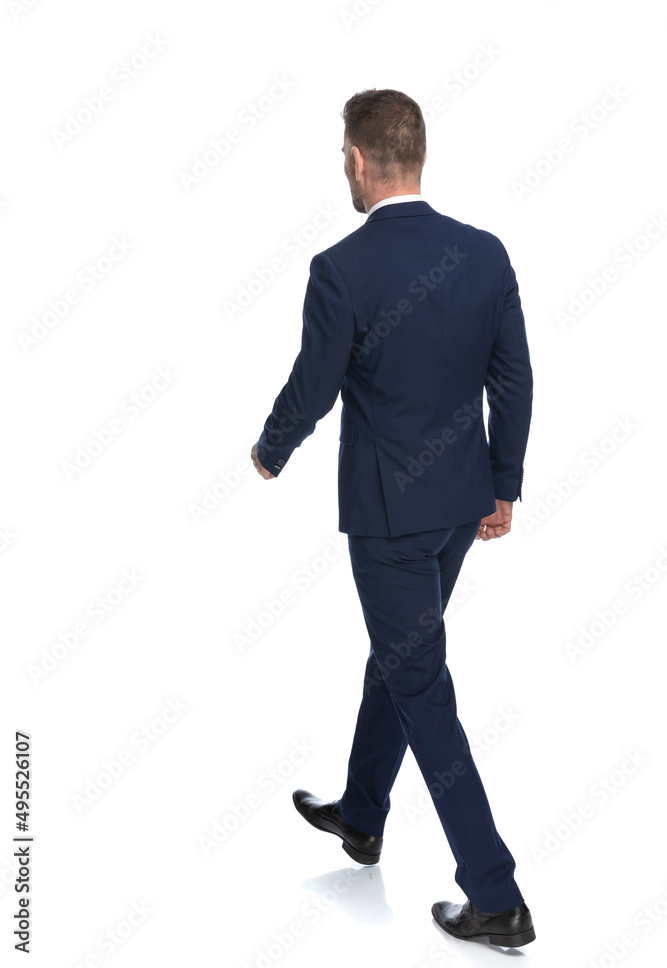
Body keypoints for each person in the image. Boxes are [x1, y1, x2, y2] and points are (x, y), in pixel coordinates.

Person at [251, 88, 535, 948]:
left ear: (355, 160)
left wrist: (270, 447)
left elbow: (314, 386)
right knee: (401, 654)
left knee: (420, 687)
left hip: (388, 518)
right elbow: (513, 380)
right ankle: (362, 813)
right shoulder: (483, 253)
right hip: (458, 505)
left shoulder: (341, 267)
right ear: (419, 156)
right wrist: (502, 484)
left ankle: (495, 895)